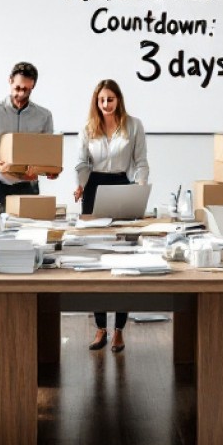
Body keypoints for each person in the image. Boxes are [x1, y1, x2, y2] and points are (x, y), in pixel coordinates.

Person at [73, 79, 149, 353]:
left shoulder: (134, 125)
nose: (106, 104)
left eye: (110, 99)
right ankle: (100, 328)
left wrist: (140, 190)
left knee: (124, 259)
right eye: (101, 100)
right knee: (97, 260)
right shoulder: (88, 127)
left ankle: (119, 330)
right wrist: (80, 186)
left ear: (119, 100)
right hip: (94, 189)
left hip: (121, 187)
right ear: (96, 101)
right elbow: (81, 163)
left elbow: (141, 162)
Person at [0, 62, 57, 216]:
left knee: (29, 230)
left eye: (26, 90)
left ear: (33, 86)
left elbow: (47, 154)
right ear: (10, 81)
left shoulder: (44, 116)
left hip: (27, 187)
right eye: (17, 88)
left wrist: (48, 170)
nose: (21, 94)